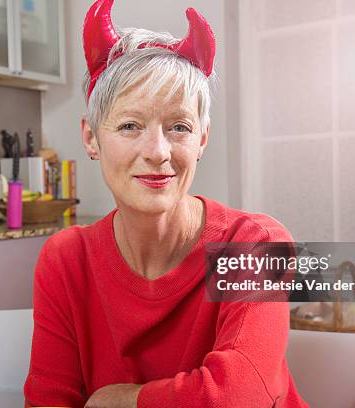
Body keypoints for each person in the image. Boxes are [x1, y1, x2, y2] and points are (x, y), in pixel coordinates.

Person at [24, 0, 308, 406]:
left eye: (179, 127)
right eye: (129, 125)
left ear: (202, 140)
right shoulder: (66, 260)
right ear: (91, 138)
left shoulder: (255, 244)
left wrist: (122, 400)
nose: (157, 151)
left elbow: (239, 398)